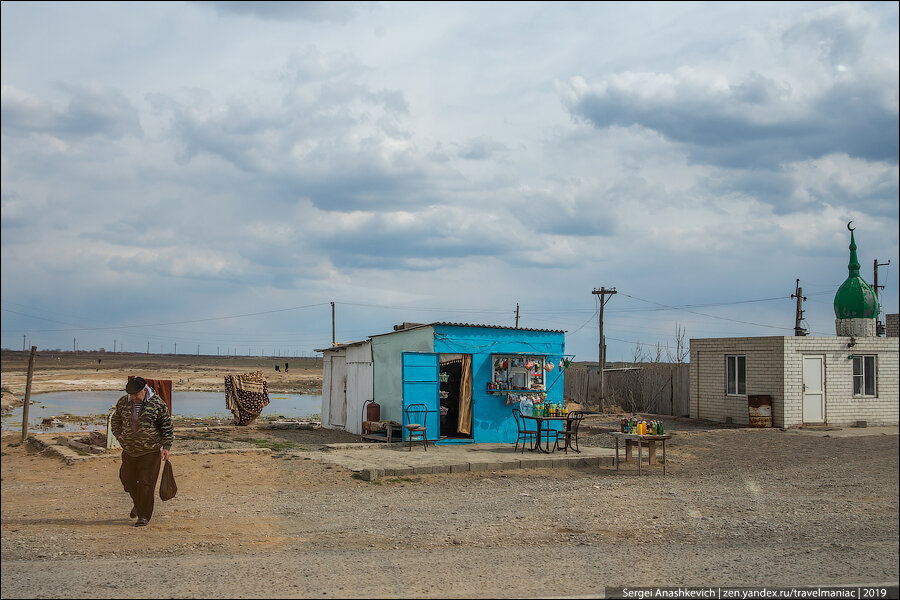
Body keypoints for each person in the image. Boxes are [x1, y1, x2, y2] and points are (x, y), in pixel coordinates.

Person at [110, 377, 173, 527]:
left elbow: (167, 425)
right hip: (129, 450)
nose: (133, 398)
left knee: (146, 483)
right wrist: (118, 435)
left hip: (150, 451)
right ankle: (138, 504)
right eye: (131, 395)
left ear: (144, 390)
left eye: (136, 395)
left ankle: (144, 516)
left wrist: (166, 447)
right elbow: (115, 420)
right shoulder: (123, 402)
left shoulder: (157, 404)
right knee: (127, 479)